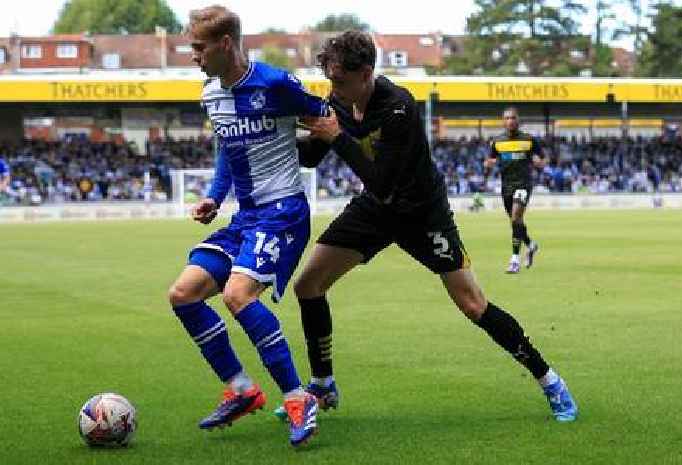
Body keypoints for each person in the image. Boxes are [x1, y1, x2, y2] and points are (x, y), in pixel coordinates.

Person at [281, 31, 577, 423]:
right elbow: (314, 156)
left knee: (473, 304)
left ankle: (550, 380)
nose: (333, 88)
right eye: (331, 80)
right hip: (376, 210)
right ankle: (323, 382)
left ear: (366, 72)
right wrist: (274, 135)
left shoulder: (398, 107)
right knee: (308, 286)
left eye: (339, 80)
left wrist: (335, 136)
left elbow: (382, 179)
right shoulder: (340, 101)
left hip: (422, 214)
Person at [166, 5, 328, 446]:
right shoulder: (211, 94)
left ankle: (299, 398)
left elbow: (327, 119)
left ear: (224, 44)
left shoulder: (275, 83)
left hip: (284, 213)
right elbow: (226, 149)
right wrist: (215, 197)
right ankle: (242, 390)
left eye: (198, 48)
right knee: (183, 294)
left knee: (237, 295)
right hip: (246, 217)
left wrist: (333, 150)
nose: (193, 56)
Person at [484, 107, 547, 273]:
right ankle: (531, 245)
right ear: (503, 121)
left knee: (516, 216)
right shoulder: (497, 142)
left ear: (518, 120)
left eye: (513, 118)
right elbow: (489, 161)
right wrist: (487, 166)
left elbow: (543, 159)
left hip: (523, 184)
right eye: (507, 118)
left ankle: (514, 260)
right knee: (516, 222)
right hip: (506, 187)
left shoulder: (529, 140)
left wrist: (539, 163)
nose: (510, 121)